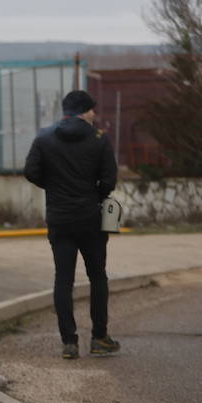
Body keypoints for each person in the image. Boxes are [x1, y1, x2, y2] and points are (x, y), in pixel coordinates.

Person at [24, 90, 120, 360]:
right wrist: (95, 194)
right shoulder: (99, 139)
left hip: (59, 218)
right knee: (97, 276)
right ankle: (100, 338)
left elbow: (31, 171)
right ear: (85, 111)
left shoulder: (44, 137)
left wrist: (53, 187)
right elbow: (109, 181)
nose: (94, 115)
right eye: (92, 110)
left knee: (63, 279)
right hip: (91, 218)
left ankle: (69, 342)